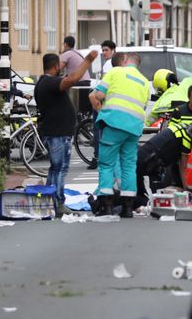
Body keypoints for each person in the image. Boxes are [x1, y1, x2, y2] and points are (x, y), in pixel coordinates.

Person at [36, 50, 98, 213]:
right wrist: (87, 60)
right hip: (58, 133)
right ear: (56, 66)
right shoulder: (50, 83)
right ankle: (58, 202)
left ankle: (49, 200)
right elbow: (72, 79)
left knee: (55, 167)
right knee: (60, 167)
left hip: (56, 131)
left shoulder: (43, 82)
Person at [90, 53, 150, 217]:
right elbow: (142, 106)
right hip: (134, 128)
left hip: (114, 124)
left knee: (106, 164)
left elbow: (98, 95)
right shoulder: (144, 82)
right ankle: (127, 207)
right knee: (129, 166)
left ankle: (106, 205)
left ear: (124, 61)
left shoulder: (116, 72)